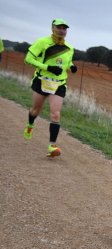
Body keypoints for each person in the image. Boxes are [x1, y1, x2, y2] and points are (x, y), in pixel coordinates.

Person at [23, 18, 77, 157]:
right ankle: (30, 125)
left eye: (64, 28)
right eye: (59, 27)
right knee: (35, 110)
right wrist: (48, 67)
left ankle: (52, 146)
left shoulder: (69, 48)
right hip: (42, 80)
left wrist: (72, 67)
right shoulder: (42, 42)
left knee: (55, 114)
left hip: (59, 84)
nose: (62, 30)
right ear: (52, 28)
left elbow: (68, 62)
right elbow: (28, 59)